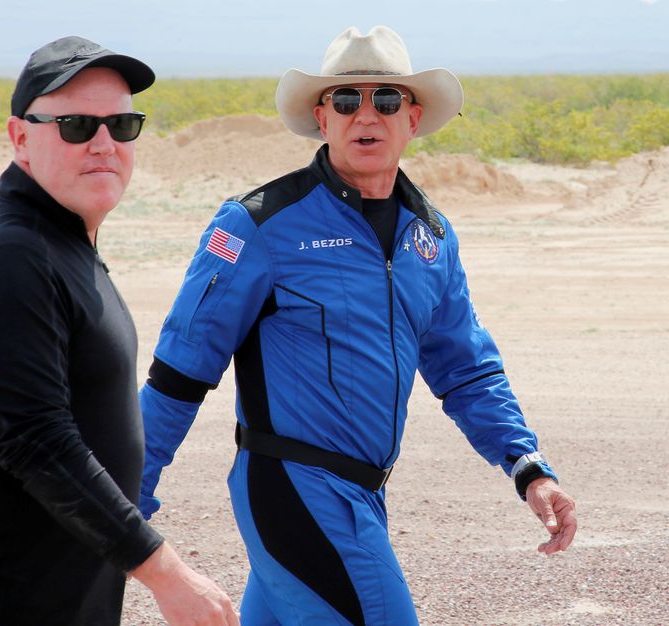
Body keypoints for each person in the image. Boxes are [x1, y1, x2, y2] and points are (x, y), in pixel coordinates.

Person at [137, 25, 578, 625]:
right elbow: (181, 369)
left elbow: (466, 369)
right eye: (346, 101)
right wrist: (122, 500)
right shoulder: (258, 224)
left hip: (366, 493)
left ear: (413, 118)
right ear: (323, 118)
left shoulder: (431, 237)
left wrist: (528, 468)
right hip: (295, 489)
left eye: (386, 99)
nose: (365, 114)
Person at [0, 36, 238, 626]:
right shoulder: (12, 258)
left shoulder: (59, 234)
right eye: (74, 126)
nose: (103, 144)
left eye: (122, 124)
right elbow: (36, 439)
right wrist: (166, 573)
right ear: (20, 138)